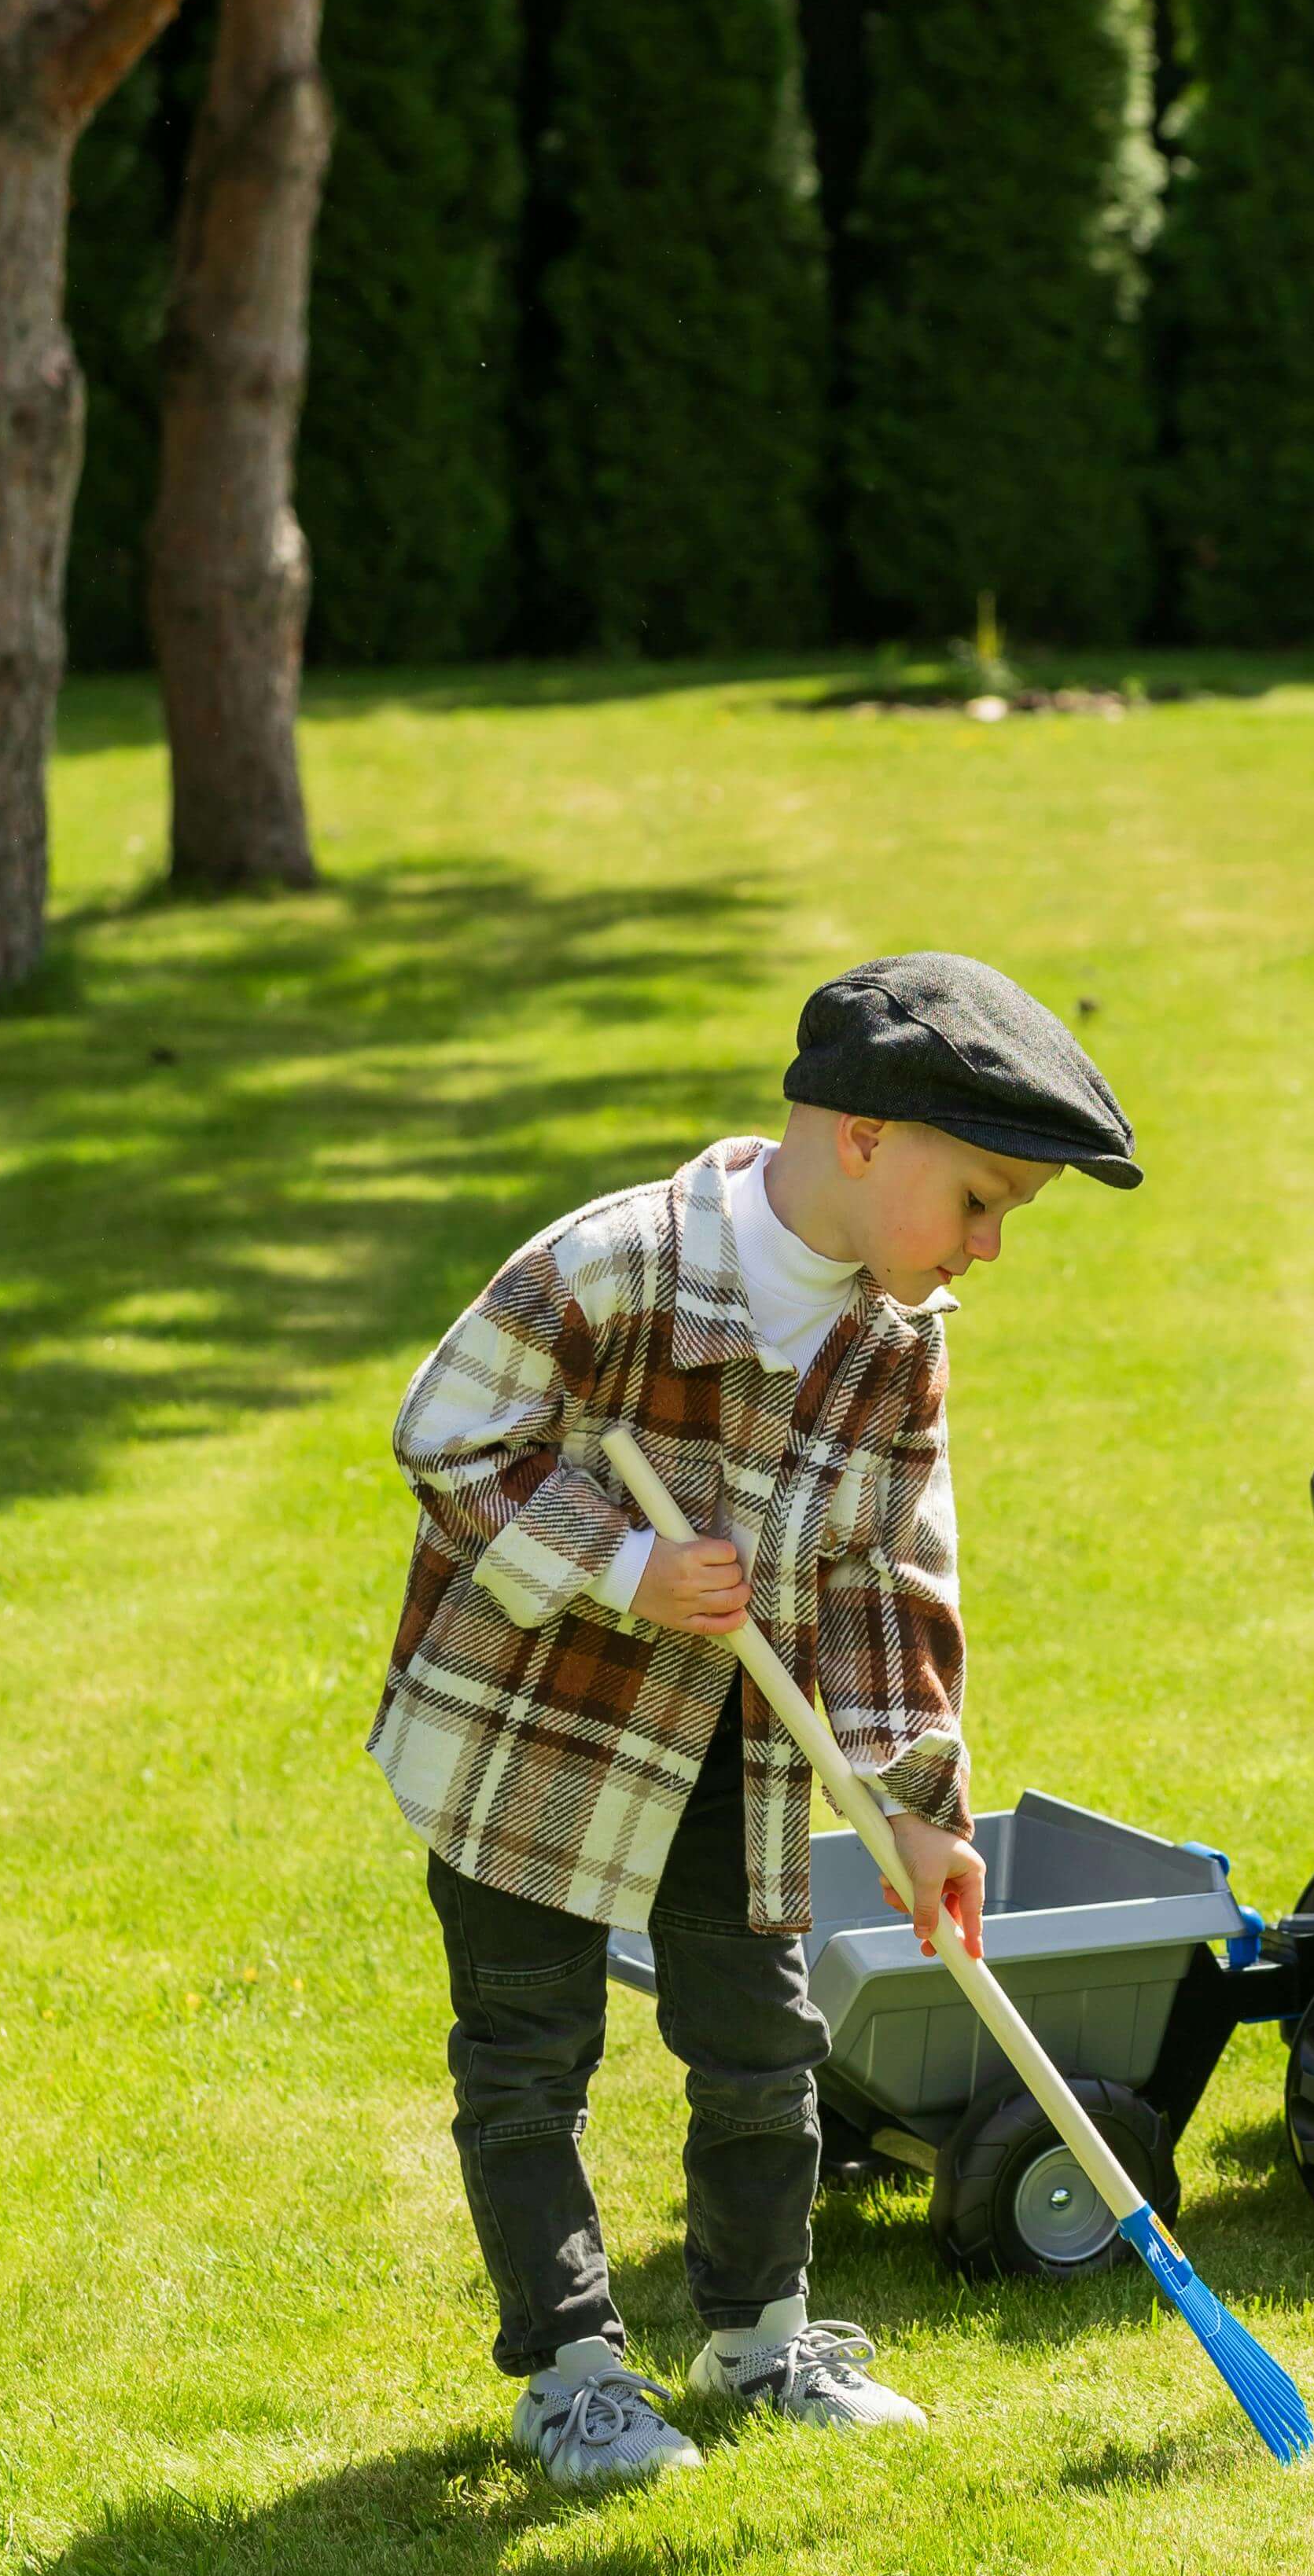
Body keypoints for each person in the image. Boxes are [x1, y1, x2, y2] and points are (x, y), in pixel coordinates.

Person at [369, 952, 1139, 2490]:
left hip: (739, 1748)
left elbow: (887, 1576)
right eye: (978, 1201)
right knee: (528, 2053)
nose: (987, 1247)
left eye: (1008, 1219)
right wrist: (625, 1564)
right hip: (538, 1730)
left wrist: (919, 1805)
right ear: (863, 1140)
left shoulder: (896, 1343)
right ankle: (576, 2372)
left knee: (765, 2046)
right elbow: (447, 1435)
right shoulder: (608, 1272)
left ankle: (760, 2336)